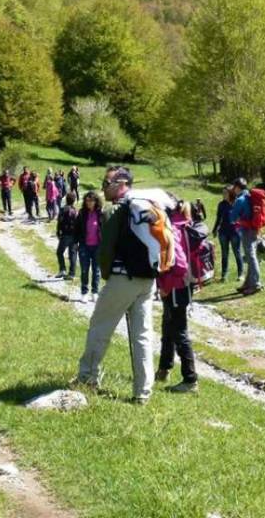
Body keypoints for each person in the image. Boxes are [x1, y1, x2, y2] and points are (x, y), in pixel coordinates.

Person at [74, 167, 157, 404]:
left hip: (123, 278)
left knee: (100, 327)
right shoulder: (146, 205)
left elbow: (106, 248)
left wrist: (107, 273)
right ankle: (142, 393)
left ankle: (87, 377)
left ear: (121, 183)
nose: (102, 187)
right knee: (141, 335)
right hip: (148, 278)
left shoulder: (117, 210)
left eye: (106, 182)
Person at [156, 200, 199, 393]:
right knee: (168, 326)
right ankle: (164, 369)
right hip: (185, 285)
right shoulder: (186, 225)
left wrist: (165, 286)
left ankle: (190, 379)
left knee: (179, 330)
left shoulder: (172, 229)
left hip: (175, 287)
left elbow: (179, 266)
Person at [230, 177, 262, 295]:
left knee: (251, 257)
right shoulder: (249, 196)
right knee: (250, 256)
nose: (233, 189)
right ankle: (248, 283)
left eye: (234, 187)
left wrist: (235, 215)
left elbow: (232, 218)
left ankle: (256, 284)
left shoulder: (240, 200)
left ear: (237, 187)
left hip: (246, 230)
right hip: (254, 229)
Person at [75, 190, 103, 300]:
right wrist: (75, 243)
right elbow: (76, 229)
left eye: (91, 201)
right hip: (84, 246)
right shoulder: (82, 213)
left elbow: (105, 229)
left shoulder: (101, 213)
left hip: (98, 246)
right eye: (87, 201)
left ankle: (95, 292)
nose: (89, 203)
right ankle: (84, 292)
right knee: (84, 270)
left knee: (96, 270)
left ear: (96, 201)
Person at [212, 185, 243, 282]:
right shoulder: (221, 204)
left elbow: (242, 217)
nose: (223, 195)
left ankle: (240, 274)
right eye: (223, 193)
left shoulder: (238, 203)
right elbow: (218, 218)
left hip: (235, 232)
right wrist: (214, 229)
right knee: (224, 254)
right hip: (223, 232)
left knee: (237, 253)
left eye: (225, 193)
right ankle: (224, 275)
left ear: (231, 193)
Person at [55, 193, 78, 279]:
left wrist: (58, 231)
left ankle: (62, 270)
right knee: (72, 254)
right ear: (74, 201)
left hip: (65, 234)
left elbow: (60, 221)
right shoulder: (75, 211)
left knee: (59, 252)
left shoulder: (63, 209)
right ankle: (72, 273)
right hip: (74, 235)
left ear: (66, 199)